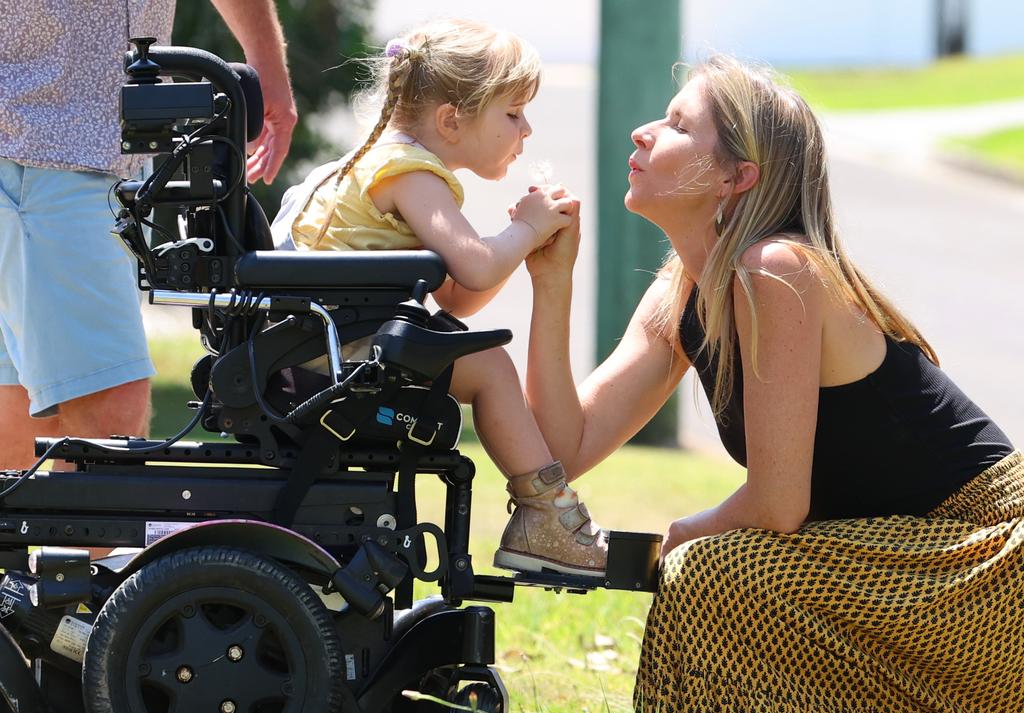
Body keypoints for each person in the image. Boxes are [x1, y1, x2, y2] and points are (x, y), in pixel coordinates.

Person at [523, 54, 1023, 713]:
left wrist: (679, 535)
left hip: (986, 559)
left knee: (713, 572)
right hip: (895, 559)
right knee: (718, 570)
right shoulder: (682, 293)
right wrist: (553, 283)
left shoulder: (775, 271)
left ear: (737, 177)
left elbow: (778, 505)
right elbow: (560, 448)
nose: (641, 133)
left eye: (675, 125)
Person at [271, 18, 606, 577]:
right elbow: (474, 269)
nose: (526, 130)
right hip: (333, 357)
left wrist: (517, 244)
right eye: (513, 112)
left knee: (477, 355)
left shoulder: (383, 162)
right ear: (452, 120)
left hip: (319, 346)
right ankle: (544, 515)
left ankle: (543, 511)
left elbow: (456, 298)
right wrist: (522, 230)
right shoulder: (408, 170)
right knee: (493, 367)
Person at [0, 0, 297, 471]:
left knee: (26, 411)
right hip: (46, 141)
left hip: (79, 146)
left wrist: (266, 66)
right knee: (104, 414)